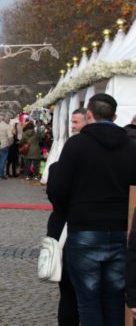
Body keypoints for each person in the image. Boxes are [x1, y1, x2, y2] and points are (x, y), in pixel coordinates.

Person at [49, 93, 136, 325]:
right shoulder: (131, 146)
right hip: (121, 232)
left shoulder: (76, 144)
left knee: (88, 300)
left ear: (89, 115)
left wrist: (68, 209)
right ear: (115, 116)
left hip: (84, 230)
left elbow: (58, 188)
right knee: (114, 299)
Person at [46, 162, 79, 326]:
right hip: (70, 229)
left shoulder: (56, 168)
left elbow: (53, 197)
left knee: (67, 293)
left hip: (58, 229)